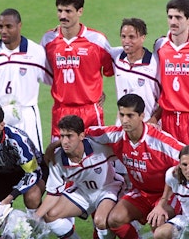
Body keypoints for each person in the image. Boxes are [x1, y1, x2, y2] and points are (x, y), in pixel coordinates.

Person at [86, 94, 185, 239]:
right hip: (141, 192)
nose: (124, 120)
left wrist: (162, 203)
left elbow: (185, 155)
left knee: (158, 223)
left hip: (166, 195)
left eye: (130, 115)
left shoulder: (159, 141)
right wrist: (55, 146)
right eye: (122, 115)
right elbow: (85, 133)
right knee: (115, 219)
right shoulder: (117, 135)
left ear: (142, 116)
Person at [41, 0, 113, 143]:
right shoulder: (48, 40)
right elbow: (47, 75)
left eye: (68, 11)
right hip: (61, 110)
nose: (62, 16)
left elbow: (111, 69)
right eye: (59, 10)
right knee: (60, 160)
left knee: (98, 159)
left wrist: (96, 90)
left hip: (90, 111)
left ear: (80, 11)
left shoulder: (97, 40)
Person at [0, 8, 52, 154]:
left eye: (8, 26)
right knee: (0, 160)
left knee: (33, 159)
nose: (3, 31)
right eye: (0, 26)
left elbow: (56, 80)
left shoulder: (35, 52)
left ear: (19, 26)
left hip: (27, 115)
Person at [36, 115, 125, 239]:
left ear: (81, 136)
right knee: (50, 215)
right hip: (83, 192)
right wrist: (35, 218)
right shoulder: (57, 161)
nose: (65, 141)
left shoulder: (98, 145)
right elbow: (53, 193)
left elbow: (123, 141)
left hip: (108, 188)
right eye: (62, 136)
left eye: (69, 136)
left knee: (100, 220)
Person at [110, 18, 162, 192]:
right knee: (123, 174)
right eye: (123, 36)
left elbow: (166, 97)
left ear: (143, 38)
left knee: (148, 176)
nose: (126, 41)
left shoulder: (155, 65)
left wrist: (154, 119)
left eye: (132, 37)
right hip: (122, 127)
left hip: (147, 128)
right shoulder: (117, 57)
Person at [154, 0, 189, 144]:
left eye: (178, 17)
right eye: (170, 17)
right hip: (167, 118)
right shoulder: (160, 45)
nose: (173, 22)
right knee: (169, 164)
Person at [148, 145, 189, 239]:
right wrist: (160, 207)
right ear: (179, 165)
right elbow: (165, 195)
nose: (188, 170)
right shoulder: (173, 176)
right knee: (160, 233)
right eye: (185, 165)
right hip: (186, 219)